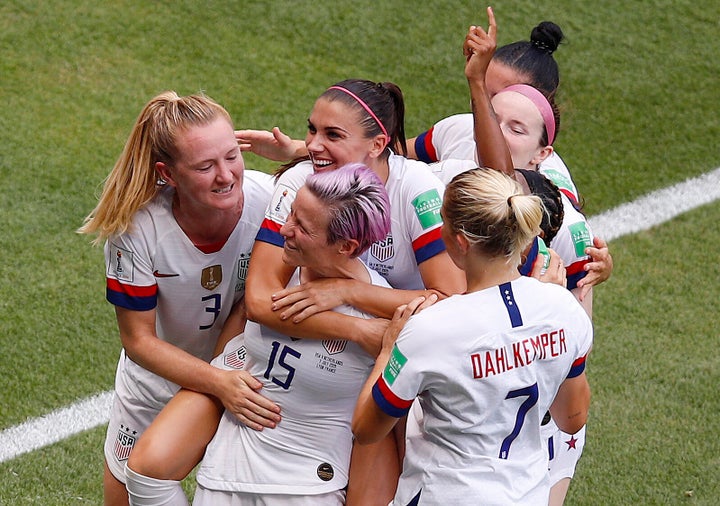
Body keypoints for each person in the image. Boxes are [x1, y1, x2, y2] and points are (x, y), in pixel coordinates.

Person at [77, 91, 274, 505]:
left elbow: (357, 169)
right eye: (205, 166)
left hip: (244, 376)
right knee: (125, 495)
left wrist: (295, 150)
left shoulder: (269, 198)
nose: (226, 176)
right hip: (157, 386)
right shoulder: (137, 231)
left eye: (231, 157)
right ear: (168, 174)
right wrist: (219, 383)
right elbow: (139, 341)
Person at [352, 167, 593, 505]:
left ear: (460, 242)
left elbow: (366, 429)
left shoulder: (430, 330)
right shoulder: (562, 308)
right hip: (527, 495)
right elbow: (572, 418)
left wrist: (387, 353)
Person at [191, 163, 395, 504]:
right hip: (222, 478)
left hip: (305, 491)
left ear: (346, 246)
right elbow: (240, 332)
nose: (284, 229)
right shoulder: (274, 279)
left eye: (302, 226)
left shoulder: (382, 317)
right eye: (291, 214)